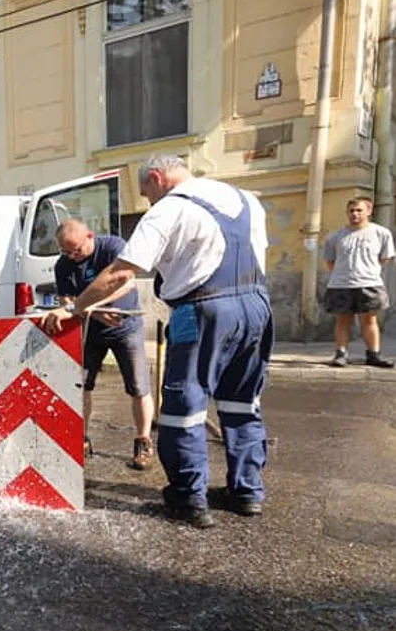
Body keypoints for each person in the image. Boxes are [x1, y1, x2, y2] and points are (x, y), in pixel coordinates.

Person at [43, 155, 271, 529]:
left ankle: (188, 498)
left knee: (184, 407)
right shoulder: (247, 199)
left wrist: (76, 310)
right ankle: (247, 491)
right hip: (257, 306)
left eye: (147, 192)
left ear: (156, 177)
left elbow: (120, 273)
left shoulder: (170, 209)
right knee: (242, 401)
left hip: (201, 308)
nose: (148, 200)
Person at [51, 219, 155, 470]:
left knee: (138, 387)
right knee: (82, 385)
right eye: (66, 252)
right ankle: (81, 438)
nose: (72, 256)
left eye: (76, 250)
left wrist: (89, 306)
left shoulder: (112, 247)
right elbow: (68, 300)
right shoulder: (63, 264)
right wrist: (95, 312)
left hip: (125, 325)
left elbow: (127, 281)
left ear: (90, 236)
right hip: (90, 329)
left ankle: (143, 442)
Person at [322, 196, 395, 368]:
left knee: (369, 321)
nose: (355, 214)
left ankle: (374, 355)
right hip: (341, 285)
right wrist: (343, 274)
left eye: (359, 210)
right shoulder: (336, 236)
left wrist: (368, 271)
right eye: (351, 211)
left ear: (369, 211)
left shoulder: (381, 233)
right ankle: (341, 354)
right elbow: (330, 261)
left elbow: (384, 258)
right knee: (343, 321)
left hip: (369, 283)